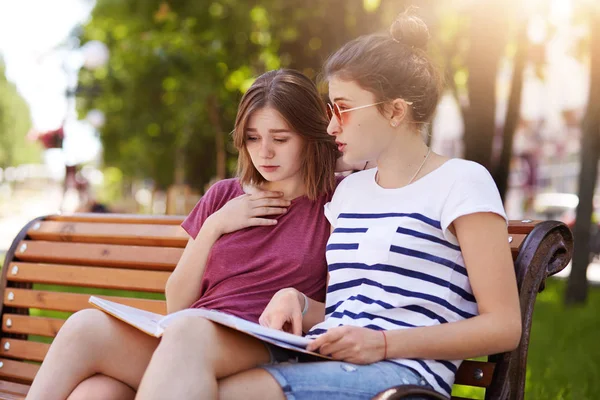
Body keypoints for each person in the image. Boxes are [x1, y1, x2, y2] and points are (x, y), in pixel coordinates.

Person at [127, 10, 522, 400]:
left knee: (213, 387)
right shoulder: (351, 192)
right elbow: (347, 306)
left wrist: (383, 344)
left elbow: (504, 326)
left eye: (344, 109)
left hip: (400, 377)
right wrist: (296, 300)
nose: (331, 126)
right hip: (320, 357)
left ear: (396, 111)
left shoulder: (462, 182)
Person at [25, 69, 341, 400]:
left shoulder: (335, 202)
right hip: (187, 336)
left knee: (187, 334)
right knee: (89, 356)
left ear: (309, 134)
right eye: (252, 138)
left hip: (265, 344)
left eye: (280, 138)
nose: (264, 152)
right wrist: (214, 225)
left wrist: (298, 304)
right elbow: (177, 304)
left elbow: (341, 307)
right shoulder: (223, 196)